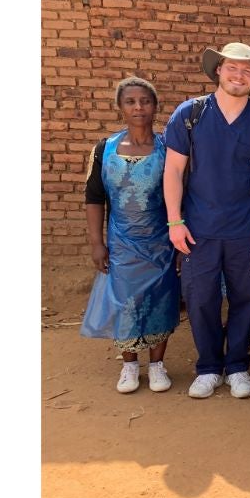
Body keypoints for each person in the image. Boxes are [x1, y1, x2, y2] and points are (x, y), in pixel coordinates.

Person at [163, 42, 250, 400]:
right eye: (232, 67)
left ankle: (237, 366)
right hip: (198, 229)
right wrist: (175, 222)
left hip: (246, 231)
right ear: (218, 69)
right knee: (200, 298)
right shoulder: (190, 114)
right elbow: (173, 169)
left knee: (245, 297)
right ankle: (208, 367)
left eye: (247, 71)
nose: (239, 75)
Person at [81, 77, 181, 394]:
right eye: (130, 101)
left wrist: (179, 240)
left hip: (161, 243)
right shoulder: (104, 149)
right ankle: (129, 366)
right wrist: (98, 244)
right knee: (124, 302)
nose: (138, 107)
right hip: (122, 242)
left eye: (145, 101)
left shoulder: (170, 150)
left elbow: (182, 196)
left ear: (155, 107)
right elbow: (94, 198)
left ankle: (157, 365)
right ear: (120, 107)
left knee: (161, 299)